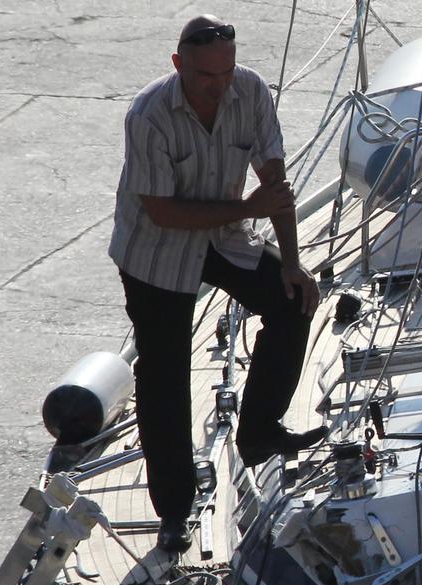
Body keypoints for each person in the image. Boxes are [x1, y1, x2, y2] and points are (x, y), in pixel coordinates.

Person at [109, 16, 325, 553]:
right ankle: (174, 510)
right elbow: (160, 211)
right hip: (157, 251)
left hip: (223, 236)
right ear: (179, 64)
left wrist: (293, 264)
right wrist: (247, 207)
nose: (219, 85)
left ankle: (258, 430)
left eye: (226, 71)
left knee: (292, 302)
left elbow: (274, 185)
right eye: (207, 75)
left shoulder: (248, 89)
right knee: (163, 379)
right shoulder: (150, 115)